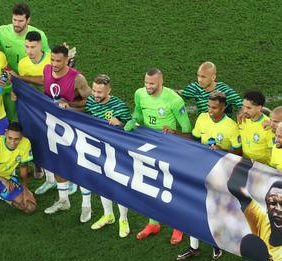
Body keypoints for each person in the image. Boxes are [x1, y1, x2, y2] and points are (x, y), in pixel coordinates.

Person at [124, 68, 192, 245]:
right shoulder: (139, 94)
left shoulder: (174, 100)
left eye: (152, 84)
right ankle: (153, 223)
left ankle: (179, 227)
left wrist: (175, 138)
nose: (148, 86)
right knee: (150, 184)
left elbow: (186, 128)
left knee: (172, 188)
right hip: (148, 147)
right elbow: (138, 113)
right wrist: (133, 120)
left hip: (170, 149)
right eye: (146, 82)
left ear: (161, 82)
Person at [176, 91, 239, 261]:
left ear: (223, 107)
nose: (210, 110)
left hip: (221, 172)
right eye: (208, 106)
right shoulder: (202, 118)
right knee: (193, 205)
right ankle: (193, 247)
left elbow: (239, 151)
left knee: (213, 209)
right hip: (201, 169)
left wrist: (222, 150)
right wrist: (175, 133)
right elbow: (194, 138)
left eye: (214, 108)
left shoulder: (231, 126)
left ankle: (216, 243)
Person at [42, 45, 92, 215]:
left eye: (58, 61)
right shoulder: (47, 70)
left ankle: (86, 205)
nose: (54, 63)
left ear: (67, 60)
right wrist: (20, 80)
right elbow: (43, 83)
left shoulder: (78, 79)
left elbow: (92, 102)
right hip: (54, 126)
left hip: (76, 126)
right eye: (52, 60)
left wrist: (68, 105)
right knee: (57, 162)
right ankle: (63, 200)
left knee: (80, 163)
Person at [84, 74, 132, 236]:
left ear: (109, 90)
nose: (96, 95)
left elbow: (134, 127)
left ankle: (123, 219)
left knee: (117, 185)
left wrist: (121, 124)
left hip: (116, 151)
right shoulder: (90, 101)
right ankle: (108, 214)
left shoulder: (119, 106)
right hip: (97, 149)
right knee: (102, 182)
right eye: (94, 91)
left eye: (100, 92)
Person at [0, 3, 51, 123]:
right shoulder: (2, 32)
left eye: (20, 21)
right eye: (14, 20)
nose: (16, 24)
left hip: (30, 81)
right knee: (5, 115)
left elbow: (48, 58)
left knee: (30, 116)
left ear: (28, 20)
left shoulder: (38, 35)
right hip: (8, 79)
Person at [11, 31, 56, 196]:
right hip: (34, 110)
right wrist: (17, 92)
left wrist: (22, 78)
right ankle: (50, 179)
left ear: (40, 46)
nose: (29, 50)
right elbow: (26, 87)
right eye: (26, 46)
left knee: (57, 144)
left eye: (32, 47)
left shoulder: (51, 59)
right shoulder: (23, 63)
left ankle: (69, 182)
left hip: (53, 108)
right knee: (39, 143)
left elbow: (47, 80)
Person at [237, 90, 272, 165]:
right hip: (245, 163)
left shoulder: (268, 126)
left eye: (249, 108)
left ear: (259, 108)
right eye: (243, 106)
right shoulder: (242, 118)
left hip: (262, 167)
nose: (245, 110)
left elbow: (274, 151)